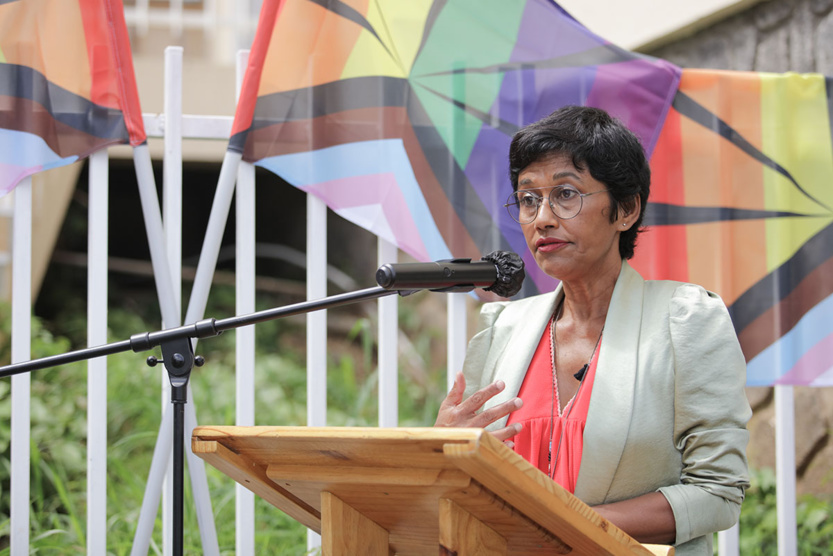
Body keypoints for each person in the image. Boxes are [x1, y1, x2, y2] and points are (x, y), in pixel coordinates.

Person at [434, 106, 751, 555]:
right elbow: (470, 483)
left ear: (625, 209)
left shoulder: (685, 320)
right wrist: (442, 445)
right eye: (528, 199)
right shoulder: (501, 327)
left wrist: (558, 527)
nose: (542, 217)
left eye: (565, 194)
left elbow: (718, 493)